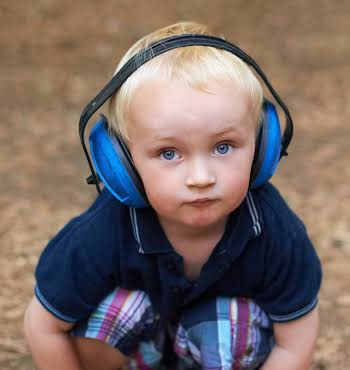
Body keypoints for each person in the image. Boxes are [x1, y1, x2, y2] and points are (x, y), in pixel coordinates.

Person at [24, 21, 322, 370]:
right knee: (113, 312)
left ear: (261, 148)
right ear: (122, 162)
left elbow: (295, 344)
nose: (200, 178)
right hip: (135, 353)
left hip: (217, 350)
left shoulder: (273, 231)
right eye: (169, 153)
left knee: (231, 324)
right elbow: (43, 326)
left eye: (224, 147)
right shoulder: (103, 230)